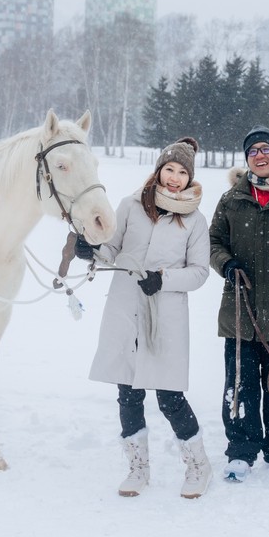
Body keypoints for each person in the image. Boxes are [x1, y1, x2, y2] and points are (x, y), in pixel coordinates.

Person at [83, 137, 213, 499]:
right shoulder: (129, 206)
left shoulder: (195, 220)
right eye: (169, 169)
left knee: (170, 399)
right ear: (159, 170)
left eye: (182, 172)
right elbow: (111, 249)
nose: (174, 178)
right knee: (128, 393)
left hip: (165, 316)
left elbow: (200, 272)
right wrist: (90, 249)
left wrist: (165, 279)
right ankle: (138, 469)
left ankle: (198, 467)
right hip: (126, 309)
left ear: (190, 178)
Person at [209, 125, 269, 482]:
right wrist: (227, 264)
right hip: (240, 309)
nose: (260, 155)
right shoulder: (232, 199)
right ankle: (241, 452)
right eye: (253, 151)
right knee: (240, 384)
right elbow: (214, 241)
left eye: (266, 149)